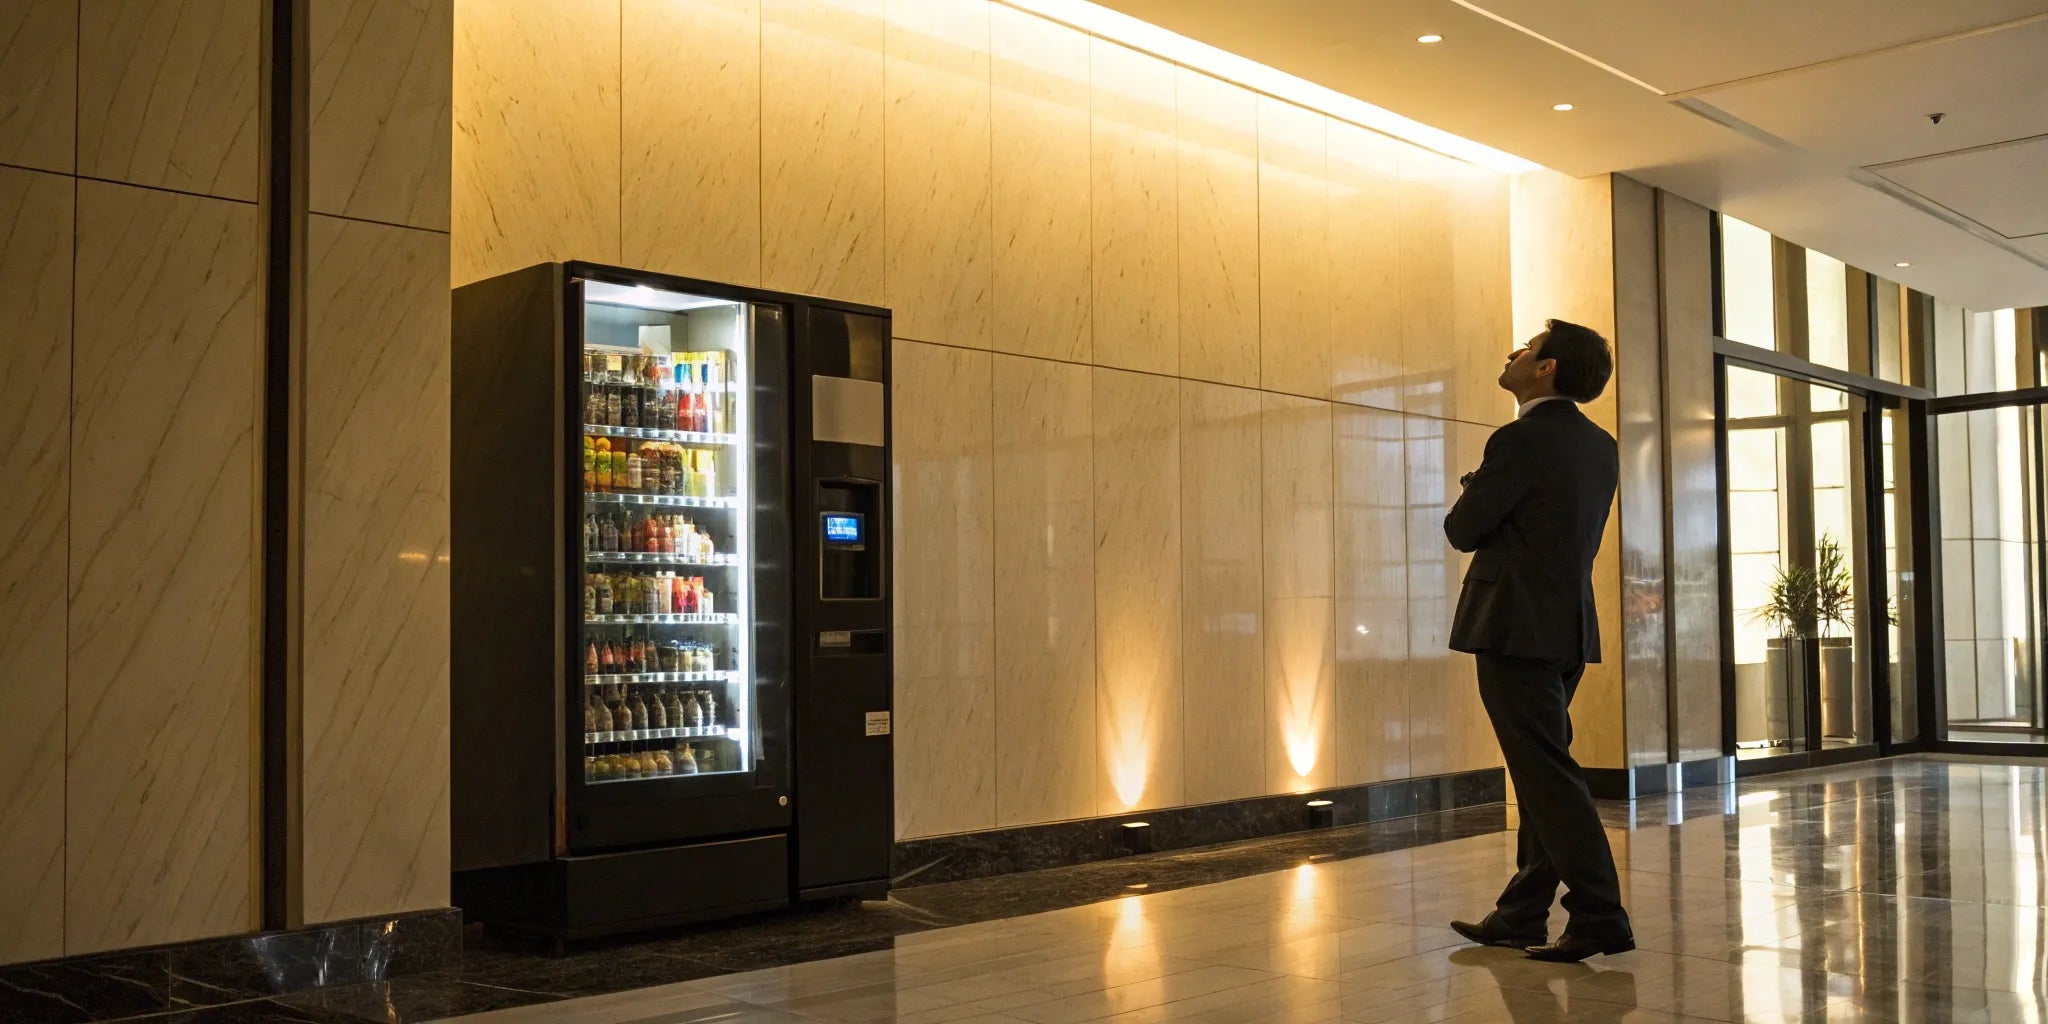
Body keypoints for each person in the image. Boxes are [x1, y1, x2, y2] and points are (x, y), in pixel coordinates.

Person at [1444, 318, 1632, 963]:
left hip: (1513, 626)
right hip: (1566, 627)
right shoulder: (1599, 445)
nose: (1513, 352)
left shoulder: (1520, 440)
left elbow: (1463, 530)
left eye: (1526, 347)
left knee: (1548, 776)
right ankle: (1522, 912)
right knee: (1542, 770)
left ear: (1547, 368)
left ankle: (1600, 915)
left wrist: (1474, 486)